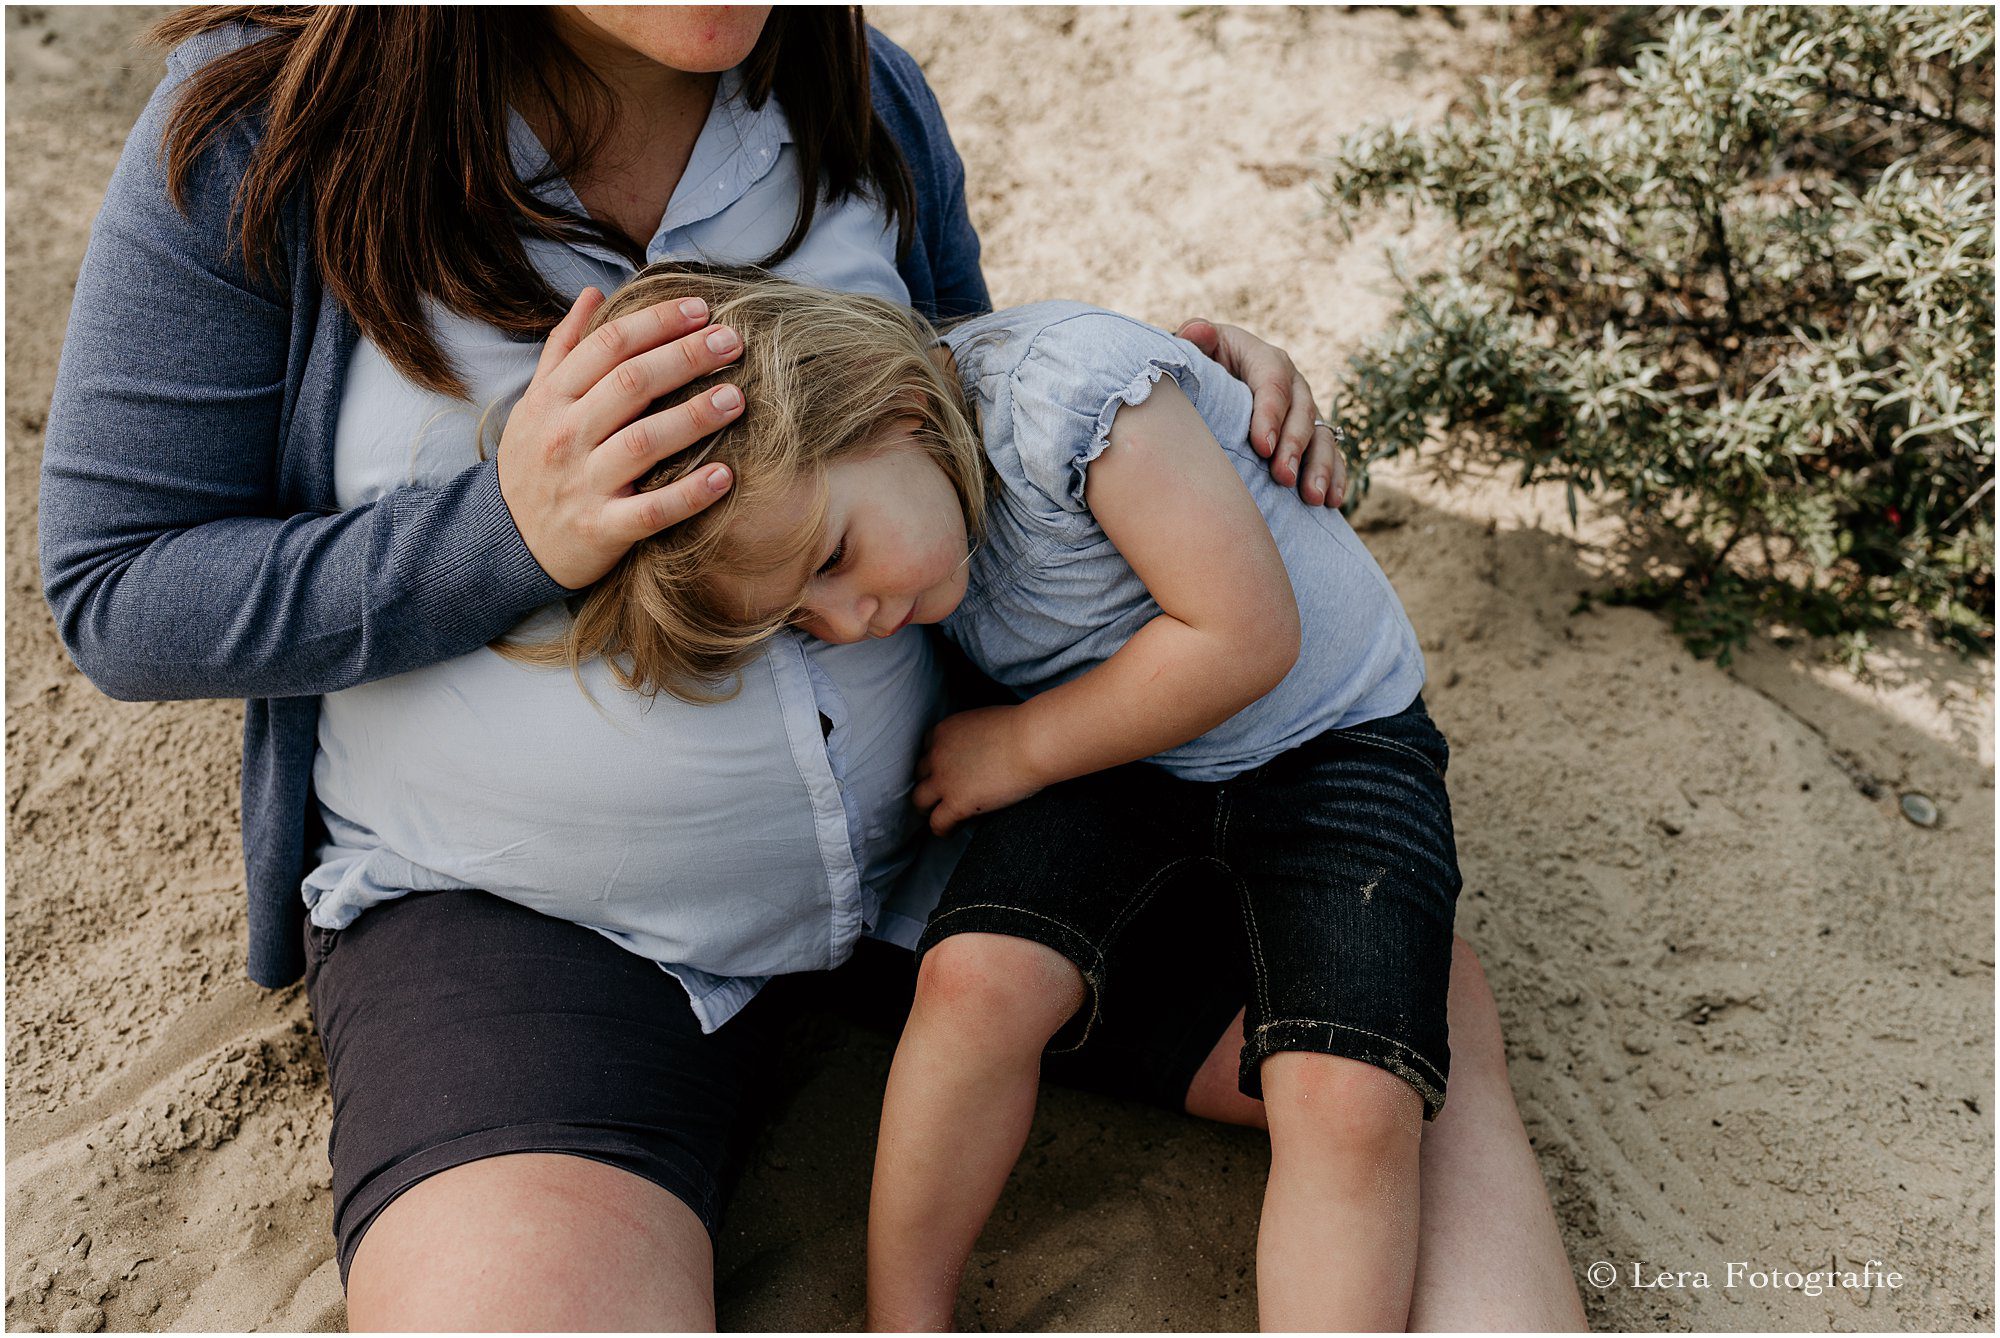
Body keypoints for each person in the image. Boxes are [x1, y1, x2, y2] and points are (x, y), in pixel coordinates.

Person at [37, 7, 1587, 1330]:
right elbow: (121, 592)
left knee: (1399, 1025)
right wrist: (506, 529)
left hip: (948, 816)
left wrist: (1179, 394)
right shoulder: (265, 133)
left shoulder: (857, 95)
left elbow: (960, 417)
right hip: (528, 915)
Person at [504, 266, 1456, 1329]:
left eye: (833, 558)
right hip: (1125, 754)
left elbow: (1245, 637)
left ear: (896, 407)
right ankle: (905, 1316)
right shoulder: (913, 507)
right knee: (969, 981)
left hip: (1333, 738)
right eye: (804, 623)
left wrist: (1015, 747)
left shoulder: (1069, 397)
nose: (855, 617)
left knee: (1345, 1094)